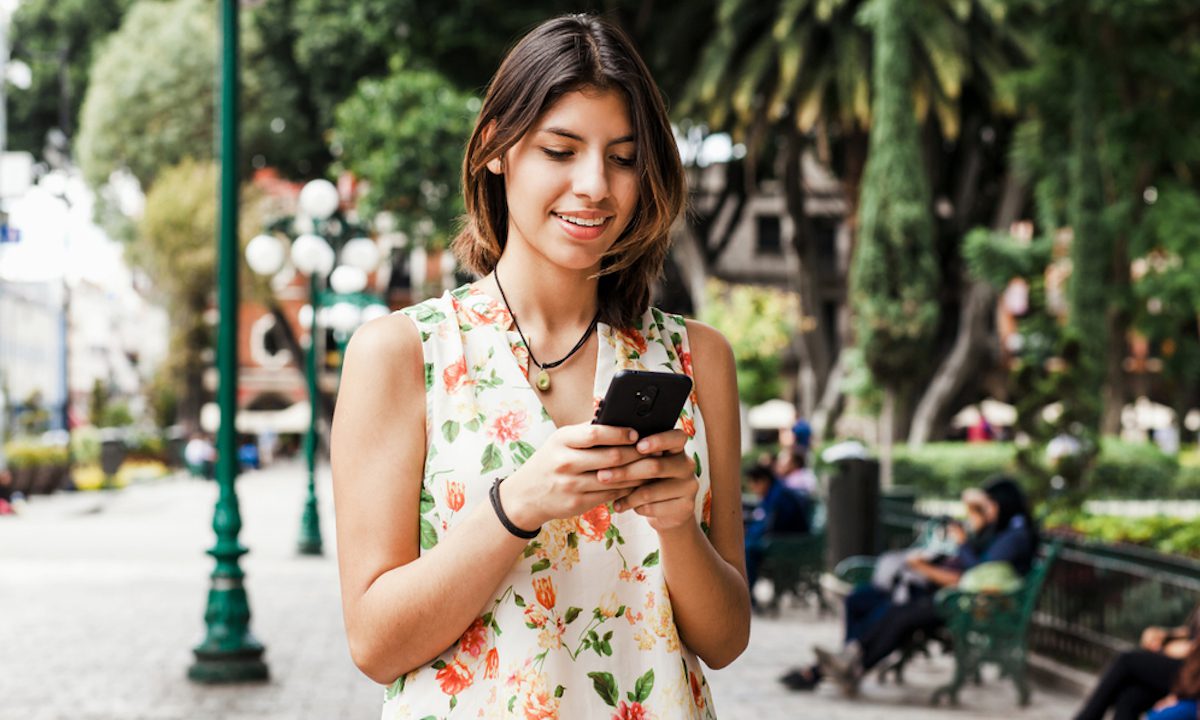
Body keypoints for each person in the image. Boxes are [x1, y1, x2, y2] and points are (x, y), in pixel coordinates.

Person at [331, 15, 749, 719]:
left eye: (622, 158)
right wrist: (517, 505)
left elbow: (727, 639)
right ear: (496, 147)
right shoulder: (404, 353)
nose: (595, 186)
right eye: (561, 150)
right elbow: (375, 643)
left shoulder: (696, 358)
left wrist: (679, 526)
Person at [782, 475, 1038, 694]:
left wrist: (961, 543)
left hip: (965, 603)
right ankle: (848, 661)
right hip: (947, 594)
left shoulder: (1014, 536)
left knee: (896, 613)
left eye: (989, 504)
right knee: (861, 599)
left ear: (1003, 504)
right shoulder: (999, 531)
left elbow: (978, 572)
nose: (986, 511)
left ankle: (844, 665)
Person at [1074, 606, 1200, 720]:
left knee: (1127, 661)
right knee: (1130, 697)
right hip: (1187, 669)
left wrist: (1179, 693)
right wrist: (1164, 635)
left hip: (1191, 676)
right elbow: (1191, 632)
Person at [744, 463, 811, 603]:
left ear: (763, 481)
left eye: (754, 483)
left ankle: (745, 594)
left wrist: (750, 532)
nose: (752, 488)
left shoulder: (779, 496)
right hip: (780, 538)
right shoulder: (774, 493)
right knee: (745, 545)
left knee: (747, 549)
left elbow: (773, 525)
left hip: (788, 542)